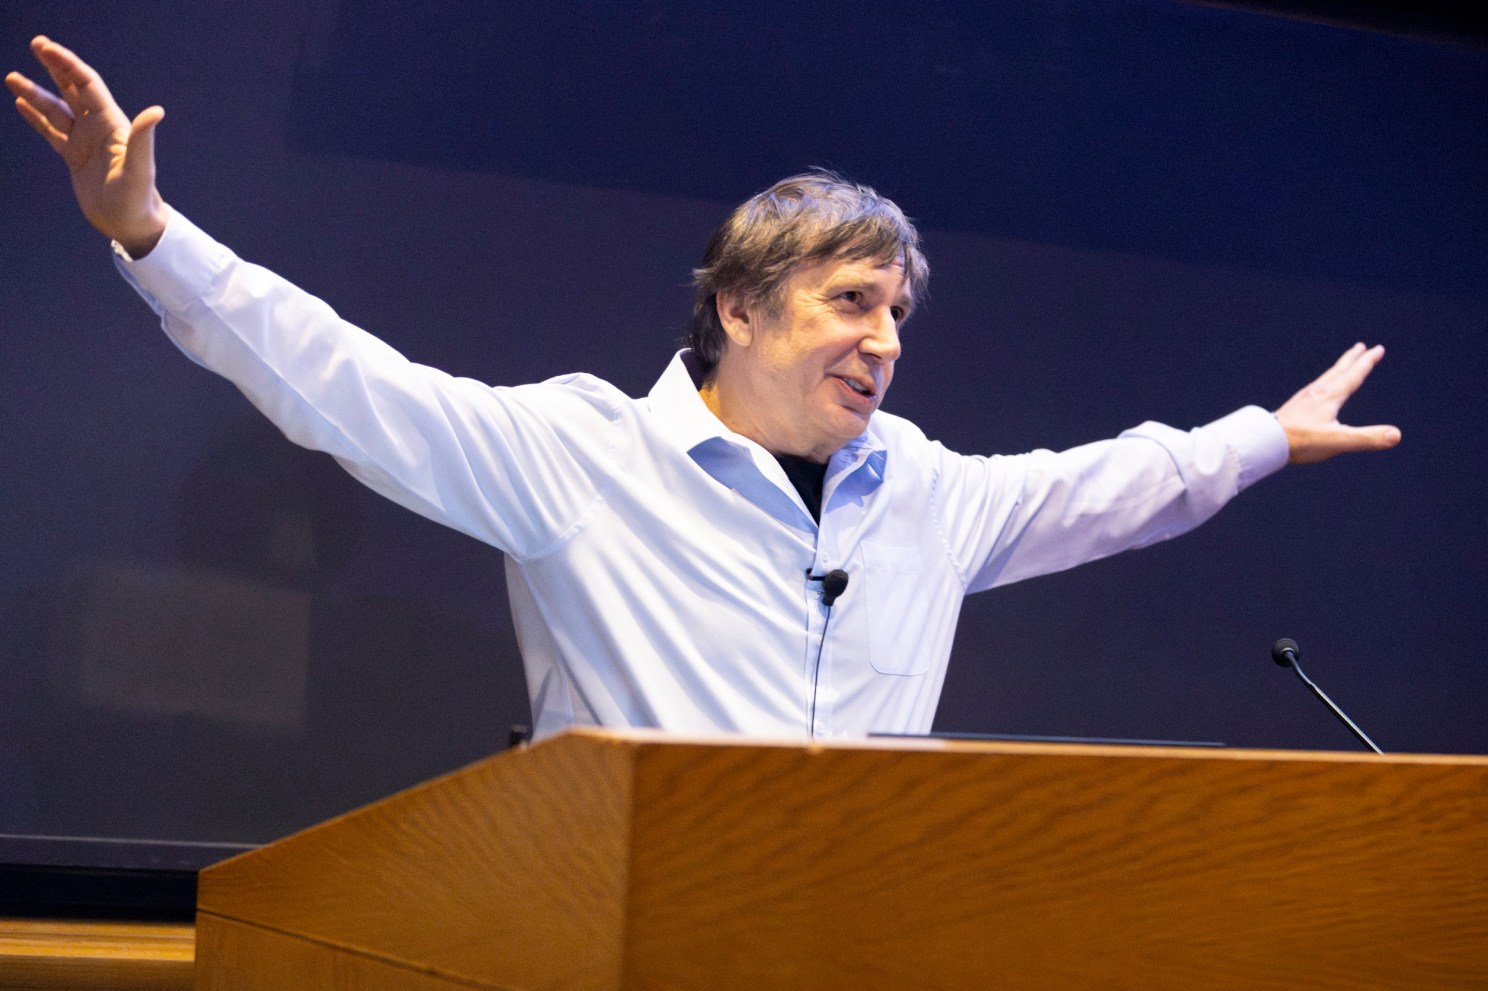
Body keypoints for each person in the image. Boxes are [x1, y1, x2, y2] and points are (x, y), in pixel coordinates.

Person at [7, 37, 1400, 741]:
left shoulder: (929, 492)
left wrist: (1266, 440)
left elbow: (1124, 485)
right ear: (738, 306)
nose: (887, 341)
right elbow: (342, 382)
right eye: (852, 304)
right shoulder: (578, 457)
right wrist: (149, 234)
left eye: (898, 312)